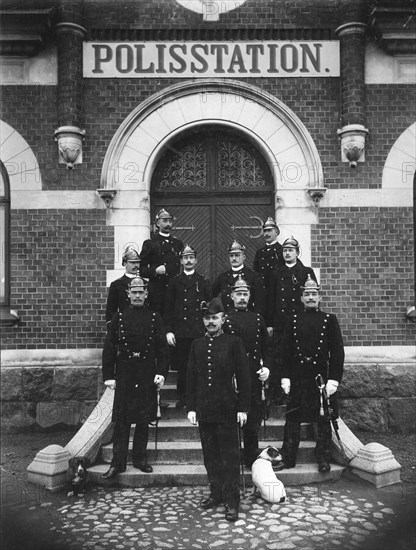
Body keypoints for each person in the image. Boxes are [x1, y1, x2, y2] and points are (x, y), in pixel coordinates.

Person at [186, 297, 251, 522]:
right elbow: (191, 377)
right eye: (207, 319)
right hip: (205, 409)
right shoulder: (197, 344)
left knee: (230, 457)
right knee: (210, 455)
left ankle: (232, 500)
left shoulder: (234, 342)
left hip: (227, 409)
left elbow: (244, 377)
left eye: (215, 318)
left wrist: (243, 407)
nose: (211, 322)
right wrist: (191, 407)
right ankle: (216, 493)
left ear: (223, 319)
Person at [101, 276, 169, 479]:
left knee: (143, 419)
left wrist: (161, 373)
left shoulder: (155, 318)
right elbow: (109, 349)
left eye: (141, 292)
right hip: (125, 372)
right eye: (134, 292)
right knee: (122, 420)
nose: (138, 296)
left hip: (146, 371)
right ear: (128, 294)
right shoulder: (118, 318)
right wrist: (109, 376)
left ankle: (140, 459)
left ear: (146, 294)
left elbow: (163, 350)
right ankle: (118, 463)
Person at [276, 275, 345, 473]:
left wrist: (334, 380)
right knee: (292, 419)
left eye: (314, 294)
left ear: (320, 297)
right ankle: (288, 458)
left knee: (323, 419)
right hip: (298, 377)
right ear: (301, 298)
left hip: (320, 379)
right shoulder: (293, 320)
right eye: (307, 294)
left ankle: (323, 458)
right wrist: (285, 377)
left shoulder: (329, 320)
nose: (311, 298)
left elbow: (338, 352)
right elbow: (285, 351)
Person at [223, 275, 270, 468]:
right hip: (230, 376)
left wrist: (267, 367)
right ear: (232, 296)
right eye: (238, 294)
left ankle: (251, 456)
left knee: (252, 420)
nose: (242, 297)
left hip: (252, 375)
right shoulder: (225, 319)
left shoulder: (258, 319)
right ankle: (232, 458)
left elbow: (267, 348)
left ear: (249, 296)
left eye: (245, 294)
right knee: (230, 419)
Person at [265, 236, 318, 403]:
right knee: (279, 356)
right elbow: (270, 299)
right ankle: (278, 395)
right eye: (285, 250)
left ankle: (299, 393)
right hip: (280, 323)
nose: (287, 253)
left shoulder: (306, 272)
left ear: (297, 252)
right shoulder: (276, 273)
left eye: (290, 250)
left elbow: (313, 298)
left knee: (298, 356)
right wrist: (270, 323)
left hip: (300, 322)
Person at [164, 244, 212, 408]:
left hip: (199, 332)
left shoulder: (203, 281)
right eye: (186, 258)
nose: (189, 260)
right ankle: (183, 398)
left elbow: (209, 307)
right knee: (183, 367)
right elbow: (168, 308)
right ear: (181, 261)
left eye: (191, 257)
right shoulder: (174, 282)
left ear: (196, 260)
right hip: (181, 332)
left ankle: (199, 398)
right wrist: (169, 330)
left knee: (200, 366)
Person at [139, 208, 183, 314]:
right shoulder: (150, 243)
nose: (168, 224)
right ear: (158, 223)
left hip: (174, 289)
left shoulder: (178, 244)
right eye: (164, 221)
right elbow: (141, 270)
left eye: (170, 221)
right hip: (157, 292)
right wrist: (155, 271)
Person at [212, 240, 266, 316]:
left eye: (237, 255)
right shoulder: (223, 277)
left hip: (247, 318)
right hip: (228, 319)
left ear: (243, 257)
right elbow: (211, 295)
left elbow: (260, 304)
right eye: (231, 255)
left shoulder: (253, 276)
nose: (234, 258)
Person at [105, 245, 141, 327]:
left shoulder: (145, 283)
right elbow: (111, 310)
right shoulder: (116, 284)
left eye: (137, 262)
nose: (136, 265)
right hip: (124, 326)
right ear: (125, 263)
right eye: (132, 262)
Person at [253, 217, 284, 295]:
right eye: (265, 231)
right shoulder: (259, 252)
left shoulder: (282, 250)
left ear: (276, 232)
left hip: (277, 292)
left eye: (269, 231)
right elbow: (256, 272)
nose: (267, 234)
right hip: (262, 292)